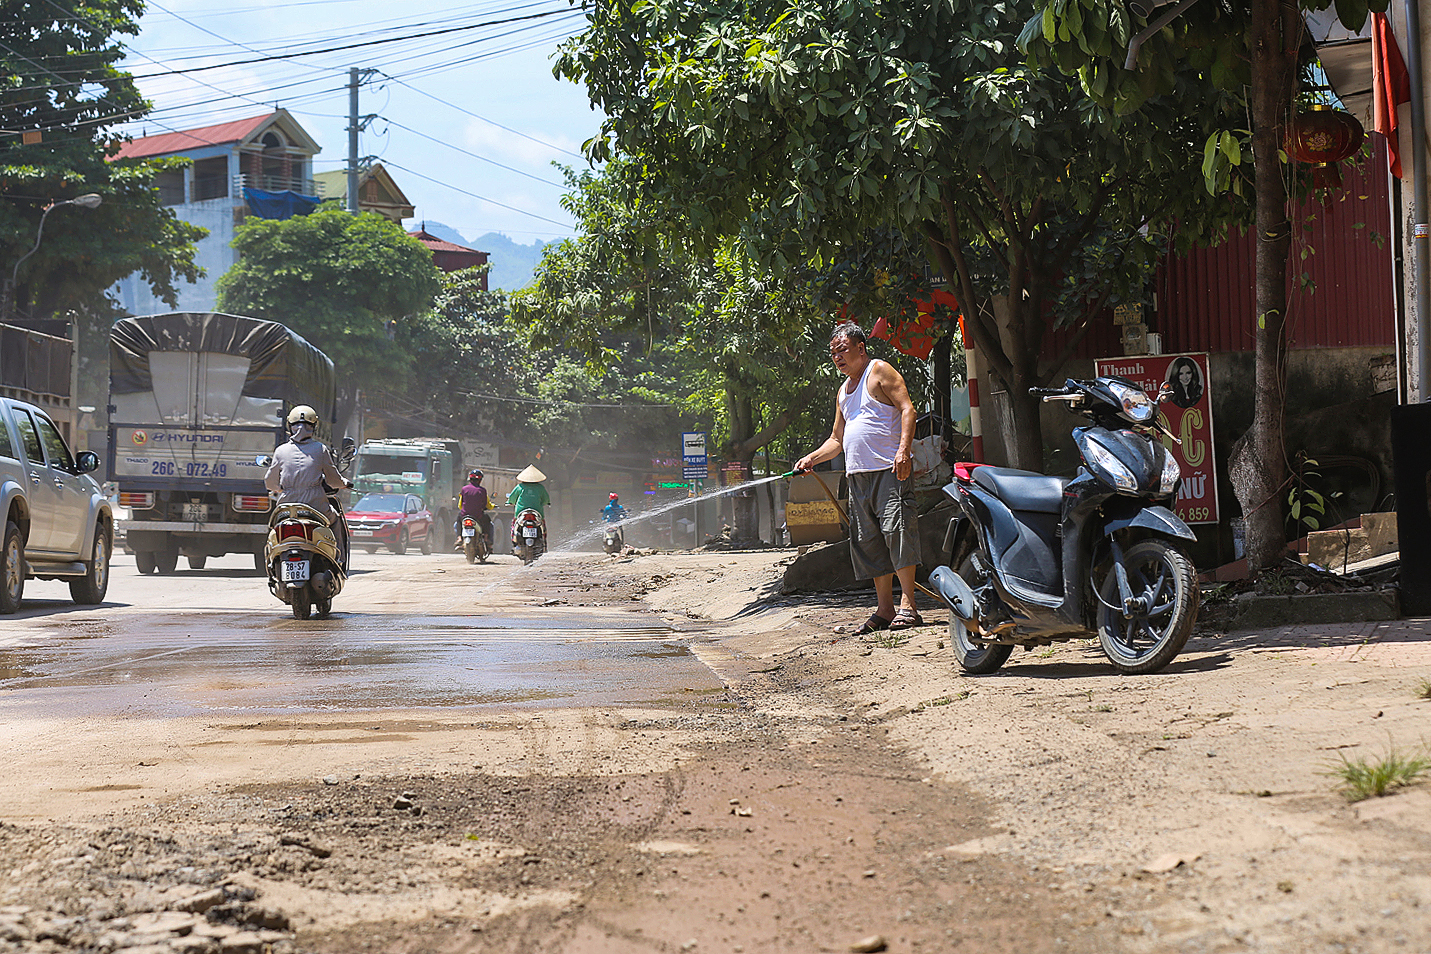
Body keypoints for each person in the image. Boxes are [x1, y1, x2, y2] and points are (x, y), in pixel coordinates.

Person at [795, 321, 922, 634]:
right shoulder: (843, 391)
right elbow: (837, 439)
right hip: (858, 477)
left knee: (898, 531)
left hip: (889, 471)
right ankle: (885, 609)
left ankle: (909, 605)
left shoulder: (879, 371)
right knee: (869, 541)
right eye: (833, 353)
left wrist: (903, 451)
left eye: (843, 350)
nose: (837, 357)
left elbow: (908, 409)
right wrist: (812, 458)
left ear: (860, 348)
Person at [264, 405, 352, 568]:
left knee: (274, 526)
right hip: (315, 505)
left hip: (286, 505)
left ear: (289, 426)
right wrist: (345, 484)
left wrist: (280, 489)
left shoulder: (281, 451)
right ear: (314, 426)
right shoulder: (320, 449)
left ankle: (270, 560)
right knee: (335, 519)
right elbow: (333, 480)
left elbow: (269, 482)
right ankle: (339, 558)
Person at [458, 469, 494, 549]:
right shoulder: (482, 490)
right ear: (480, 480)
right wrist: (491, 506)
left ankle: (459, 537)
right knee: (488, 521)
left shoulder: (464, 489)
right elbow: (486, 505)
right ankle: (486, 538)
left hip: (465, 515)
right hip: (478, 516)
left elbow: (460, 505)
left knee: (458, 520)